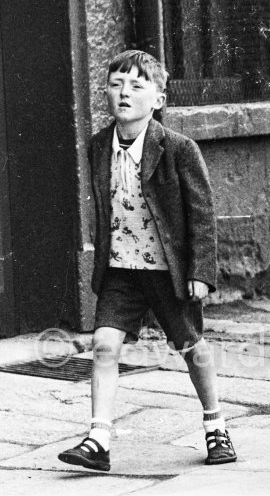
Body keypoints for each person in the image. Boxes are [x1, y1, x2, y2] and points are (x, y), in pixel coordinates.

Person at [58, 50, 236, 471]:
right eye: (116, 84)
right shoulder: (99, 145)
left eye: (137, 86)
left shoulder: (177, 148)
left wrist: (201, 273)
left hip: (167, 270)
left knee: (191, 346)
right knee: (104, 345)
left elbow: (203, 214)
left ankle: (216, 426)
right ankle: (98, 438)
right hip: (121, 268)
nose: (124, 93)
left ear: (158, 98)